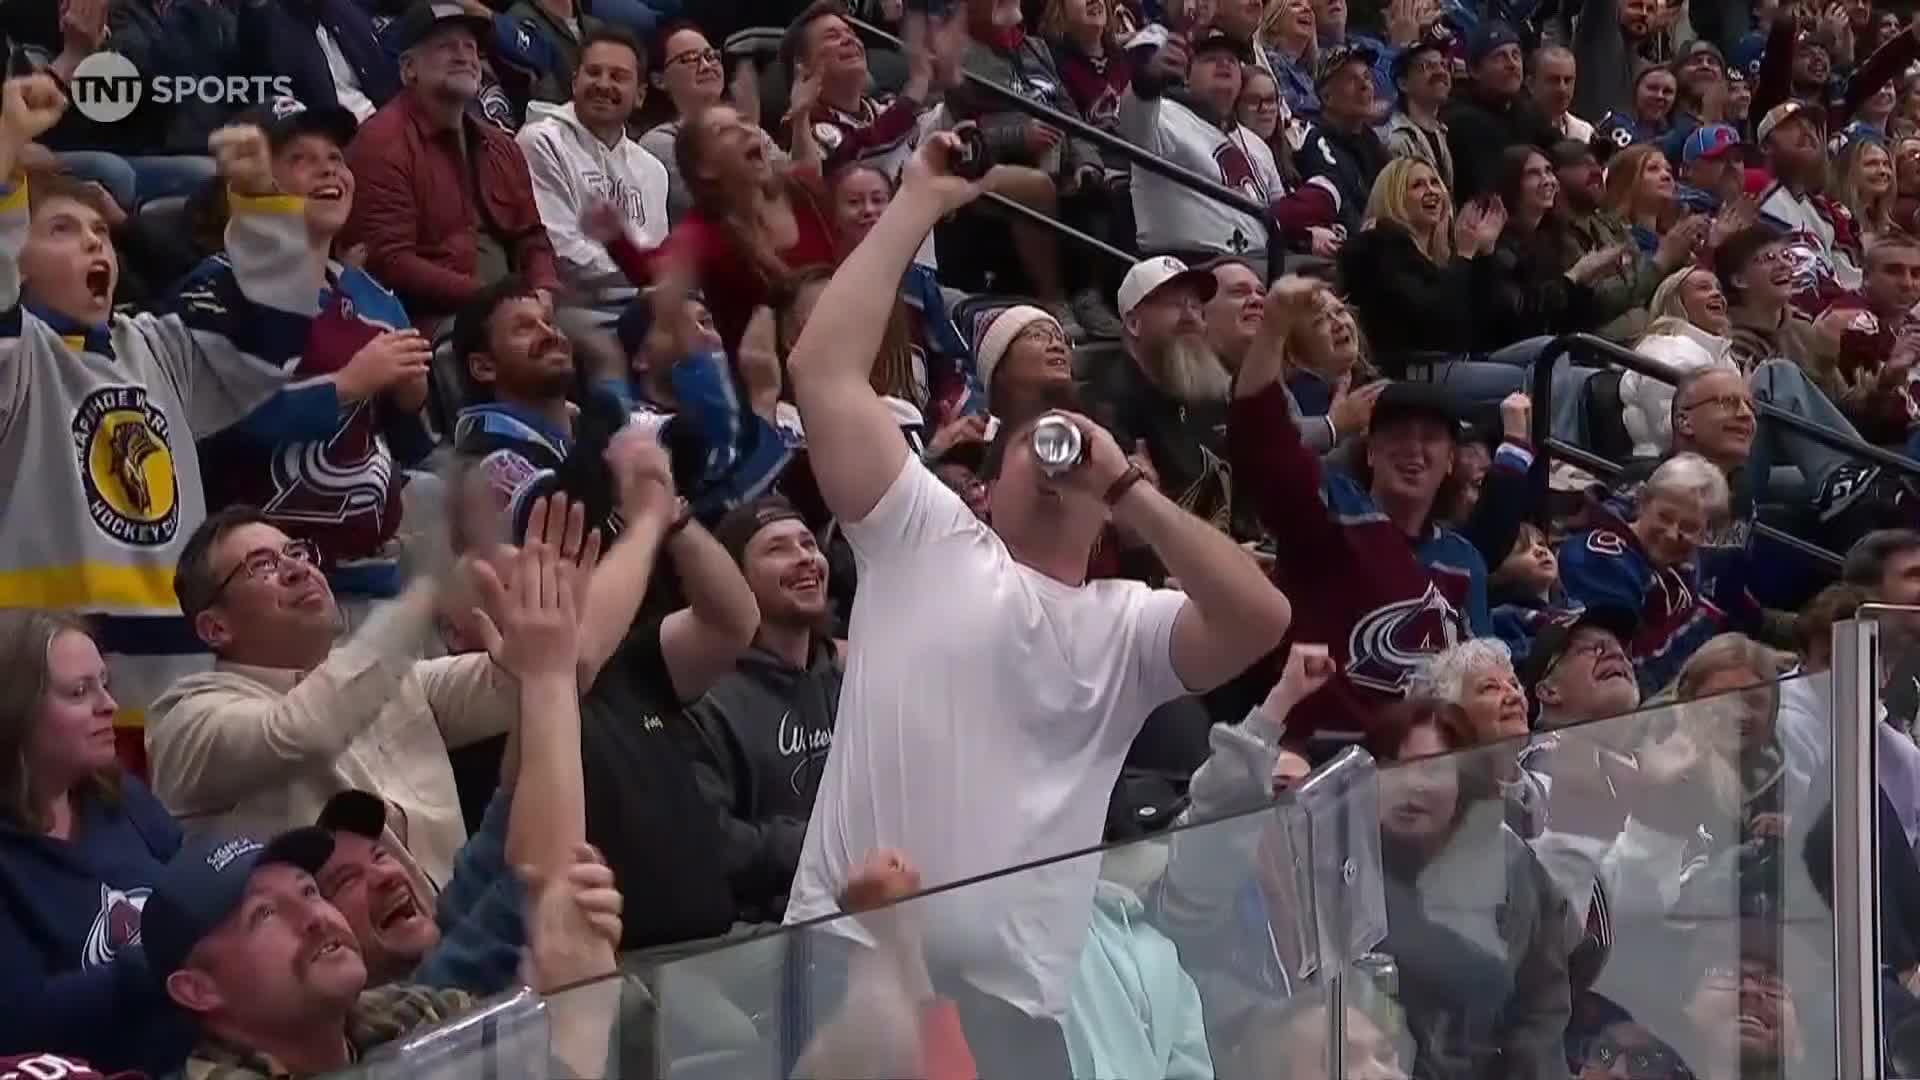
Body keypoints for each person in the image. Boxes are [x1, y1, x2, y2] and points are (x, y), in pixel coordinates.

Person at [782, 133, 1292, 1070]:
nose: (1062, 447)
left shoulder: (1125, 622)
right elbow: (821, 373)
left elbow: (1262, 618)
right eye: (1037, 441)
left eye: (1079, 436)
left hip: (1016, 1010)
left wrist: (1134, 494)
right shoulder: (926, 537)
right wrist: (918, 204)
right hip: (851, 959)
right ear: (988, 483)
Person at [0, 77, 315, 774]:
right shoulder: (20, 361)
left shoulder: (155, 346)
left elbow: (269, 345)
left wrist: (262, 204)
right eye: (61, 231)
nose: (96, 248)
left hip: (178, 692)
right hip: (41, 700)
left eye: (99, 235)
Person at [183, 99, 435, 620]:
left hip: (371, 578)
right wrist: (346, 384)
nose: (329, 169)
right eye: (301, 158)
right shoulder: (216, 286)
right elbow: (210, 422)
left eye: (337, 158)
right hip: (264, 592)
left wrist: (409, 402)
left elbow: (400, 443)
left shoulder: (375, 298)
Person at [1231, 277, 1495, 745]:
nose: (1412, 449)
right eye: (1395, 434)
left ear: (1452, 460)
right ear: (1369, 452)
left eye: (1430, 438)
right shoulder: (1331, 515)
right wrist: (1273, 327)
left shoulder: (1464, 561)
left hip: (1429, 763)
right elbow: (1261, 445)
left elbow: (1482, 677)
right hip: (1324, 756)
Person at [146, 825, 618, 1078]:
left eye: (309, 891)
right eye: (264, 916)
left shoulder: (408, 1013)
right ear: (197, 989)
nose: (315, 918)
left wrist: (568, 971)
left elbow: (527, 1055)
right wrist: (582, 1015)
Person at [0, 613, 195, 1076]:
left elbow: (198, 888)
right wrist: (171, 965)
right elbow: (18, 1018)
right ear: (12, 712)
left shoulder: (117, 795)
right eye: (79, 692)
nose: (109, 705)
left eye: (104, 684)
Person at [342, 0, 561, 336]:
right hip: (433, 322)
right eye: (446, 46)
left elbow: (531, 236)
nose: (463, 56)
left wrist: (543, 288)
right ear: (408, 68)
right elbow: (390, 262)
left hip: (515, 308)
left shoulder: (501, 145)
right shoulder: (379, 144)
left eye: (470, 48)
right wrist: (492, 299)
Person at [683, 496, 843, 925]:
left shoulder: (849, 678)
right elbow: (712, 842)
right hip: (763, 941)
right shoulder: (706, 699)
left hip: (870, 907)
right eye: (778, 549)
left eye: (809, 543)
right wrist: (827, 839)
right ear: (735, 581)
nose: (806, 558)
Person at [1085, 256, 1244, 535]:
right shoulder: (1108, 406)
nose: (1192, 317)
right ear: (1134, 323)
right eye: (1175, 305)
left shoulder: (1210, 394)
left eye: (1196, 306)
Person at [516, 25, 671, 306]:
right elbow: (561, 251)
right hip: (575, 306)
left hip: (645, 304)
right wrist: (647, 272)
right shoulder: (541, 141)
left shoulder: (653, 169)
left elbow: (657, 252)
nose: (603, 84)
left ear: (640, 95)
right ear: (575, 82)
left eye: (618, 76)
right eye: (593, 72)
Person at [1559, 452, 1733, 692]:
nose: (1672, 534)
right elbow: (1620, 667)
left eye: (1689, 527)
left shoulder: (1684, 571)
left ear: (1706, 535)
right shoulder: (1598, 553)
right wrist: (1702, 625)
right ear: (1641, 501)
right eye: (1665, 517)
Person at [1810, 231, 1920, 446]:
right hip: (1873, 449)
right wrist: (1890, 374)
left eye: (1916, 273)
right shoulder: (1854, 320)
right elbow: (1874, 420)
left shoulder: (1905, 322)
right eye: (1894, 272)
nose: (1908, 283)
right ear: (1866, 277)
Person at [1443, 20, 1557, 203]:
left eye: (1516, 55)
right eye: (1499, 57)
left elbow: (1560, 151)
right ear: (1474, 70)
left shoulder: (1527, 110)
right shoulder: (1461, 120)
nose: (1512, 64)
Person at [1299, 42, 1393, 234]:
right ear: (1326, 97)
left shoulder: (1370, 140)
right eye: (1351, 80)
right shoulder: (1317, 142)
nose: (1365, 86)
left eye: (1367, 77)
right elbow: (1344, 213)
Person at [639, 23, 727, 219]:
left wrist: (799, 119)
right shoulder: (658, 143)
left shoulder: (750, 129)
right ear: (659, 80)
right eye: (689, 59)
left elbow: (798, 190)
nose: (706, 66)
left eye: (711, 56)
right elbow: (712, 208)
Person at [1380, 32, 1455, 193]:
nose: (1441, 72)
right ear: (1403, 84)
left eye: (1443, 64)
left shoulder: (1441, 132)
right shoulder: (1396, 140)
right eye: (1427, 66)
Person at [1531, 45, 1593, 145]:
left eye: (1568, 80)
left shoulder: (1586, 132)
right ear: (1531, 84)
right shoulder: (1515, 130)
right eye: (1553, 80)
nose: (1562, 88)